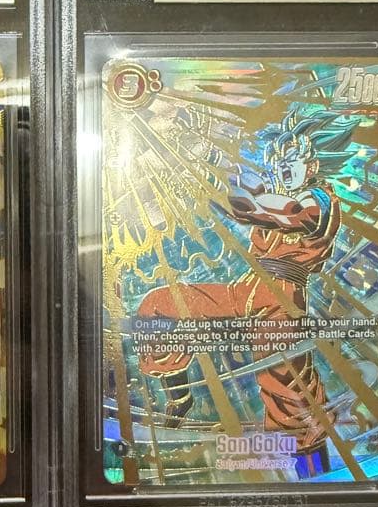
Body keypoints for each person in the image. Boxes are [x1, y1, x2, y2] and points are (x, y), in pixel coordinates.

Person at [136, 109, 360, 476]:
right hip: (244, 289)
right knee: (159, 304)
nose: (283, 168)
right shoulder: (276, 196)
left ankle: (315, 476)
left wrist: (229, 193)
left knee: (289, 392)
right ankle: (180, 398)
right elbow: (246, 198)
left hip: (281, 300)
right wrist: (201, 160)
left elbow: (267, 210)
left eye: (291, 160)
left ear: (312, 164)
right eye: (278, 161)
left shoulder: (319, 201)